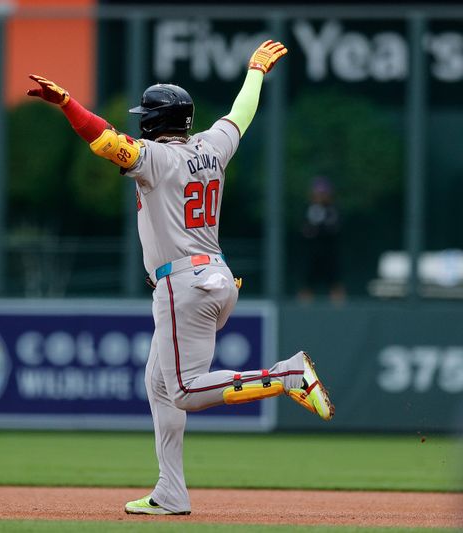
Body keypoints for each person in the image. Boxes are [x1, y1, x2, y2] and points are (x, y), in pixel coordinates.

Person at [27, 40, 334, 516]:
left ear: (152, 122)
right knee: (159, 384)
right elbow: (242, 112)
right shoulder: (212, 146)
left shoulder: (154, 158)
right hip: (216, 278)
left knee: (185, 391)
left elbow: (103, 139)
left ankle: (285, 376)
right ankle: (170, 491)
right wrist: (255, 71)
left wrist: (67, 103)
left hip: (183, 287)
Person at [298, 176, 346, 303]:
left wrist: (318, 229)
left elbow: (334, 229)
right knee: (308, 284)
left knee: (335, 283)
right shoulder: (309, 209)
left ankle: (340, 313)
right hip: (313, 254)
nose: (320, 196)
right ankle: (303, 312)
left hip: (330, 253)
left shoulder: (333, 209)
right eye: (318, 193)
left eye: (323, 193)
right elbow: (305, 231)